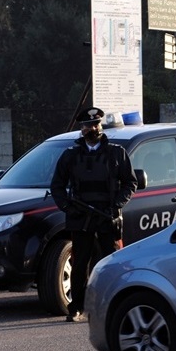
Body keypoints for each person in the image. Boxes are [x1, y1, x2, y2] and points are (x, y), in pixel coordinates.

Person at [50, 107, 137, 322]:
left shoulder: (116, 153)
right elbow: (57, 186)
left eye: (96, 124)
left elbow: (130, 183)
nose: (93, 128)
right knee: (80, 264)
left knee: (111, 263)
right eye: (88, 125)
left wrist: (116, 205)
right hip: (80, 216)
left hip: (107, 215)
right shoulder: (70, 156)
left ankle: (113, 306)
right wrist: (67, 207)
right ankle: (76, 308)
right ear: (82, 129)